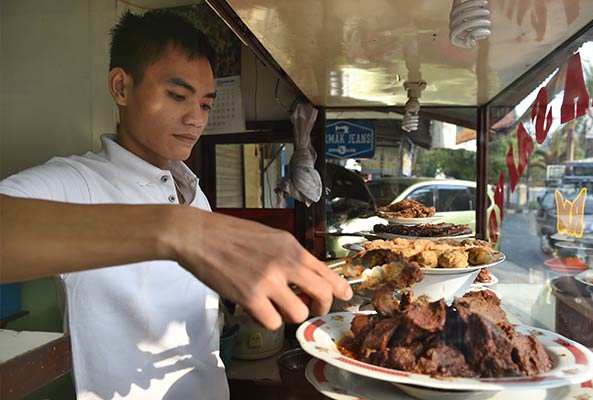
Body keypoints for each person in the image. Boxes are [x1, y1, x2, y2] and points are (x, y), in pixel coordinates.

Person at [0, 10, 350, 400]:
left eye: (204, 104)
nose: (195, 119)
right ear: (120, 87)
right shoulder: (77, 182)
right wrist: (172, 229)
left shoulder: (191, 192)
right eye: (178, 96)